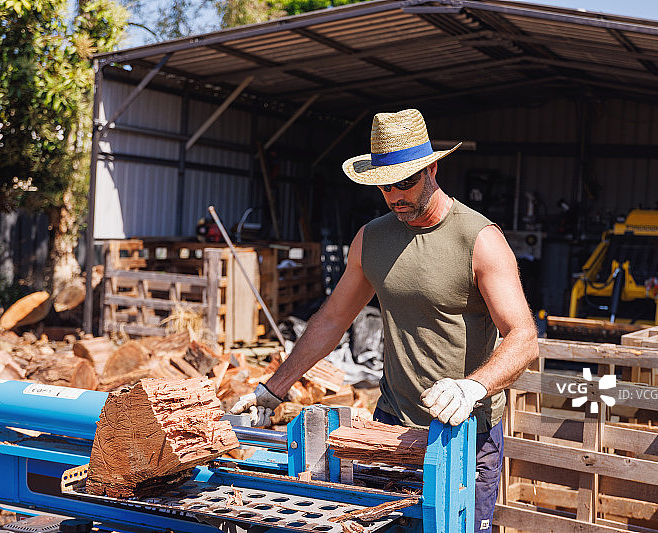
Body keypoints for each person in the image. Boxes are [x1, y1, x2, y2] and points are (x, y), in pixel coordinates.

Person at [231, 108, 539, 531]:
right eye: (384, 185)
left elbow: (523, 336)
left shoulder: (479, 239)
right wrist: (273, 389)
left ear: (432, 169)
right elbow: (331, 321)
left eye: (405, 182)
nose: (395, 195)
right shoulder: (372, 239)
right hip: (391, 428)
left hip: (466, 431)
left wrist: (473, 387)